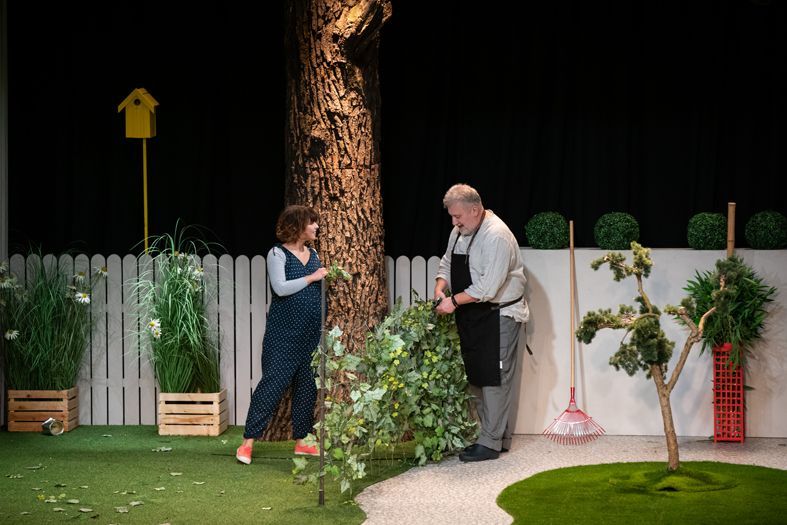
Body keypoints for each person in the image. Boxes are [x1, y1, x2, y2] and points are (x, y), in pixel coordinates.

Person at [434, 183, 529, 462]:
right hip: (474, 313)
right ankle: (495, 438)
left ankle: (489, 444)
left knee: (494, 378)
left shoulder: (496, 235)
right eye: (452, 217)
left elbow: (487, 288)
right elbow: (446, 262)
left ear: (475, 210)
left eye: (458, 216)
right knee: (478, 376)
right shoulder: (460, 231)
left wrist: (453, 302)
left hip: (500, 313)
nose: (454, 222)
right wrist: (440, 288)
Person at [236, 205, 329, 464]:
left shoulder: (313, 254)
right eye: (312, 222)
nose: (316, 227)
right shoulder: (277, 253)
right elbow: (280, 288)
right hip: (284, 334)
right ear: (298, 225)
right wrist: (312, 278)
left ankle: (302, 441)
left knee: (307, 388)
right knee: (272, 385)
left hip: (310, 334)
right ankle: (247, 443)